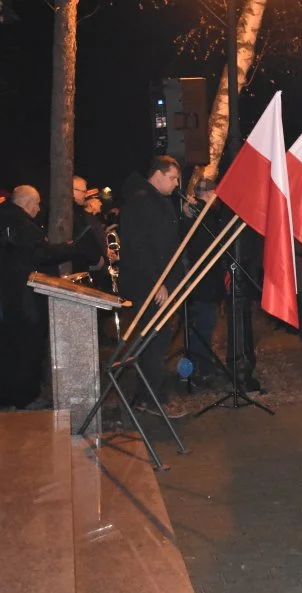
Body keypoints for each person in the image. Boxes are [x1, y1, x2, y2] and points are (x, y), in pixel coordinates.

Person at [118, 156, 187, 418]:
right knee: (153, 341)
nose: (176, 184)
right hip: (149, 284)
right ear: (157, 174)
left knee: (158, 339)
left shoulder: (156, 201)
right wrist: (157, 282)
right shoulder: (140, 202)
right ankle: (149, 399)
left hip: (161, 282)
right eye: (173, 178)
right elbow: (140, 248)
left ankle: (151, 395)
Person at [0, 185, 76, 409]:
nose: (39, 208)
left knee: (11, 346)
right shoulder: (20, 224)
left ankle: (10, 394)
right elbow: (38, 252)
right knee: (27, 346)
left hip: (10, 297)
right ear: (27, 204)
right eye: (37, 203)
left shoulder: (7, 219)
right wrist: (67, 248)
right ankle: (25, 397)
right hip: (23, 298)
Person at [183, 178, 230, 380]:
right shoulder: (203, 215)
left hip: (201, 279)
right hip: (204, 280)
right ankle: (198, 370)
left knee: (203, 324)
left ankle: (200, 367)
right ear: (211, 194)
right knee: (203, 325)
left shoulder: (196, 214)